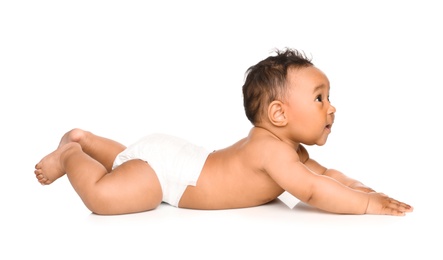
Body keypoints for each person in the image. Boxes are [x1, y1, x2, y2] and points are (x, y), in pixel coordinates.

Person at [34, 48, 413, 216]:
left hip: (178, 157)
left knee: (128, 161)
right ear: (278, 113)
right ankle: (72, 154)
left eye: (329, 97)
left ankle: (87, 138)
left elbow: (325, 175)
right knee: (105, 197)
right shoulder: (271, 152)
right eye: (319, 98)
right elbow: (312, 190)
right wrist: (365, 207)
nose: (331, 107)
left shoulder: (287, 149)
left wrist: (366, 190)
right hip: (171, 178)